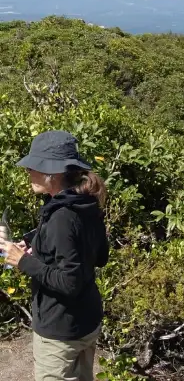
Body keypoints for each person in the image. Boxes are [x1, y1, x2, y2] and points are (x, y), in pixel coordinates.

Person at [0, 130, 110, 381]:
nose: (28, 171)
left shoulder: (62, 216)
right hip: (87, 321)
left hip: (61, 330)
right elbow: (100, 256)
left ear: (53, 174)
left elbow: (69, 281)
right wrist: (33, 243)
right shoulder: (85, 203)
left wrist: (23, 260)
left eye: (33, 166)